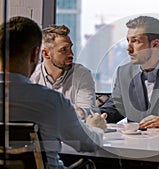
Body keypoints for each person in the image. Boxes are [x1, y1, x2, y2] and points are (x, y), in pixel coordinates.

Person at [0, 16, 107, 169]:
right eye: (64, 50)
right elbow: (88, 145)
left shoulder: (79, 75)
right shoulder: (51, 100)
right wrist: (96, 128)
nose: (71, 54)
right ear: (37, 54)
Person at [30, 25, 95, 119]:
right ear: (46, 54)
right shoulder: (32, 76)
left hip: (70, 132)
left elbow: (89, 111)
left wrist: (83, 112)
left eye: (70, 48)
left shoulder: (81, 74)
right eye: (64, 50)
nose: (71, 54)